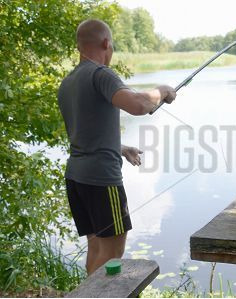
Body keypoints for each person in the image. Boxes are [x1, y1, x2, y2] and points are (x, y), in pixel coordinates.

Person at [58, 19, 176, 275]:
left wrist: (119, 147)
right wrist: (163, 90)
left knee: (96, 248)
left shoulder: (67, 82)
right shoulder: (101, 74)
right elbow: (138, 104)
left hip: (76, 178)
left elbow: (84, 132)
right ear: (106, 43)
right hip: (101, 180)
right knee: (112, 254)